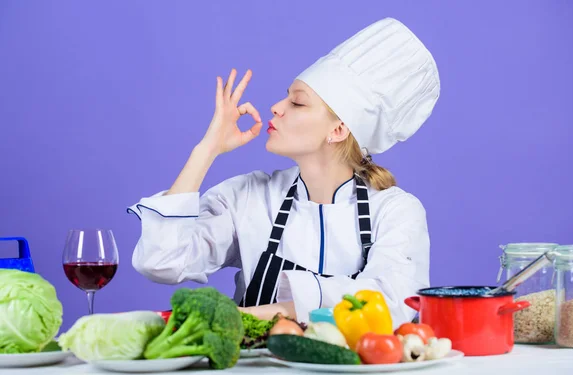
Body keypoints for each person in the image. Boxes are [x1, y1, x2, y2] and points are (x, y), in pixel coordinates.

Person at [127, 17, 440, 326]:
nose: (276, 107)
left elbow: (391, 303)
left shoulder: (395, 211)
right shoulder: (248, 197)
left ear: (339, 129)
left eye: (297, 103)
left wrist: (248, 316)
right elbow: (161, 262)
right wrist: (206, 149)